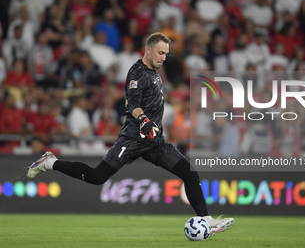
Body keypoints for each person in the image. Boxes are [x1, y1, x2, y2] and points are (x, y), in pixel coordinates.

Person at [26, 32, 234, 234]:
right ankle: (49, 162)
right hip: (134, 138)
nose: (164, 57)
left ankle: (207, 221)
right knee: (97, 177)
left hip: (154, 141)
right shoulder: (137, 72)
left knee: (190, 174)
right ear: (148, 50)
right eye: (160, 53)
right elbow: (133, 104)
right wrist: (143, 119)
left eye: (166, 54)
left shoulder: (155, 72)